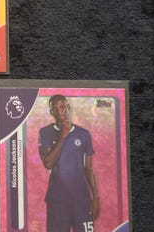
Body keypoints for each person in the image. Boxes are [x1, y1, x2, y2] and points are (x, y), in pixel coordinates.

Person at [38, 95, 100, 232]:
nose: (61, 110)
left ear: (68, 107)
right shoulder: (46, 132)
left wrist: (95, 197)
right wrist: (63, 135)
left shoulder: (83, 134)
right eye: (57, 108)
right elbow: (48, 163)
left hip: (81, 199)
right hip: (57, 200)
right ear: (52, 112)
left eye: (63, 106)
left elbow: (89, 169)